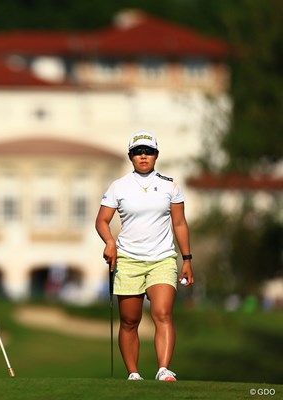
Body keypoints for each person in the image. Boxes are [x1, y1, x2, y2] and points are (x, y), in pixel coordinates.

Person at [95, 131, 194, 382]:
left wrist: (187, 259)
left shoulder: (170, 185)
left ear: (156, 155)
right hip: (128, 259)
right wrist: (109, 242)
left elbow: (180, 223)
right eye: (138, 152)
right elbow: (102, 221)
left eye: (148, 151)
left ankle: (163, 369)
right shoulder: (118, 186)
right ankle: (133, 373)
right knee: (130, 320)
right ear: (130, 156)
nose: (143, 156)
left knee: (162, 313)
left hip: (162, 259)